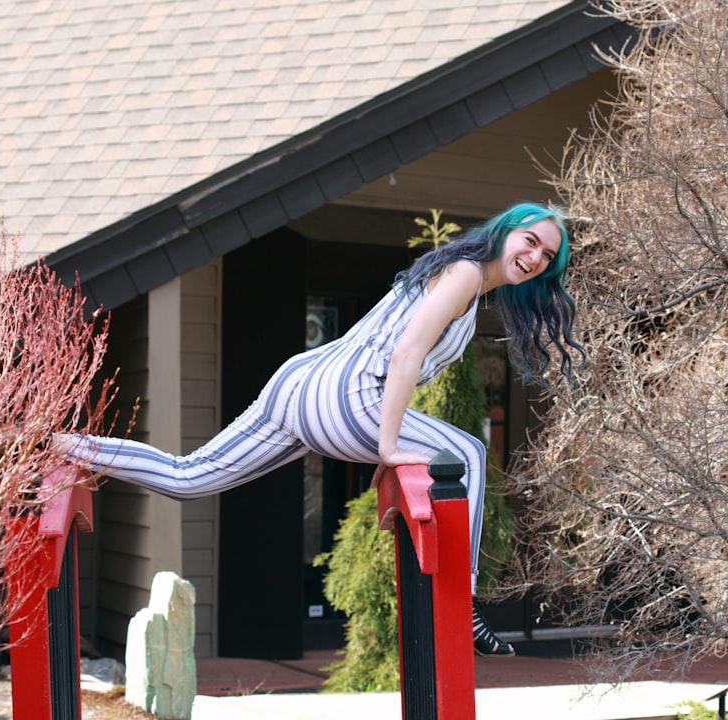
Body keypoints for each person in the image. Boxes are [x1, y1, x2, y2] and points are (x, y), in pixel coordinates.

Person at [54, 201, 584, 657]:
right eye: (530, 241)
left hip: (302, 381)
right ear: (505, 230)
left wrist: (387, 438)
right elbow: (406, 354)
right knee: (467, 453)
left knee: (190, 476)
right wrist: (388, 446)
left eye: (546, 256)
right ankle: (465, 605)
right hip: (347, 397)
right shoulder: (466, 274)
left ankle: (60, 444)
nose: (534, 257)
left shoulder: (457, 271)